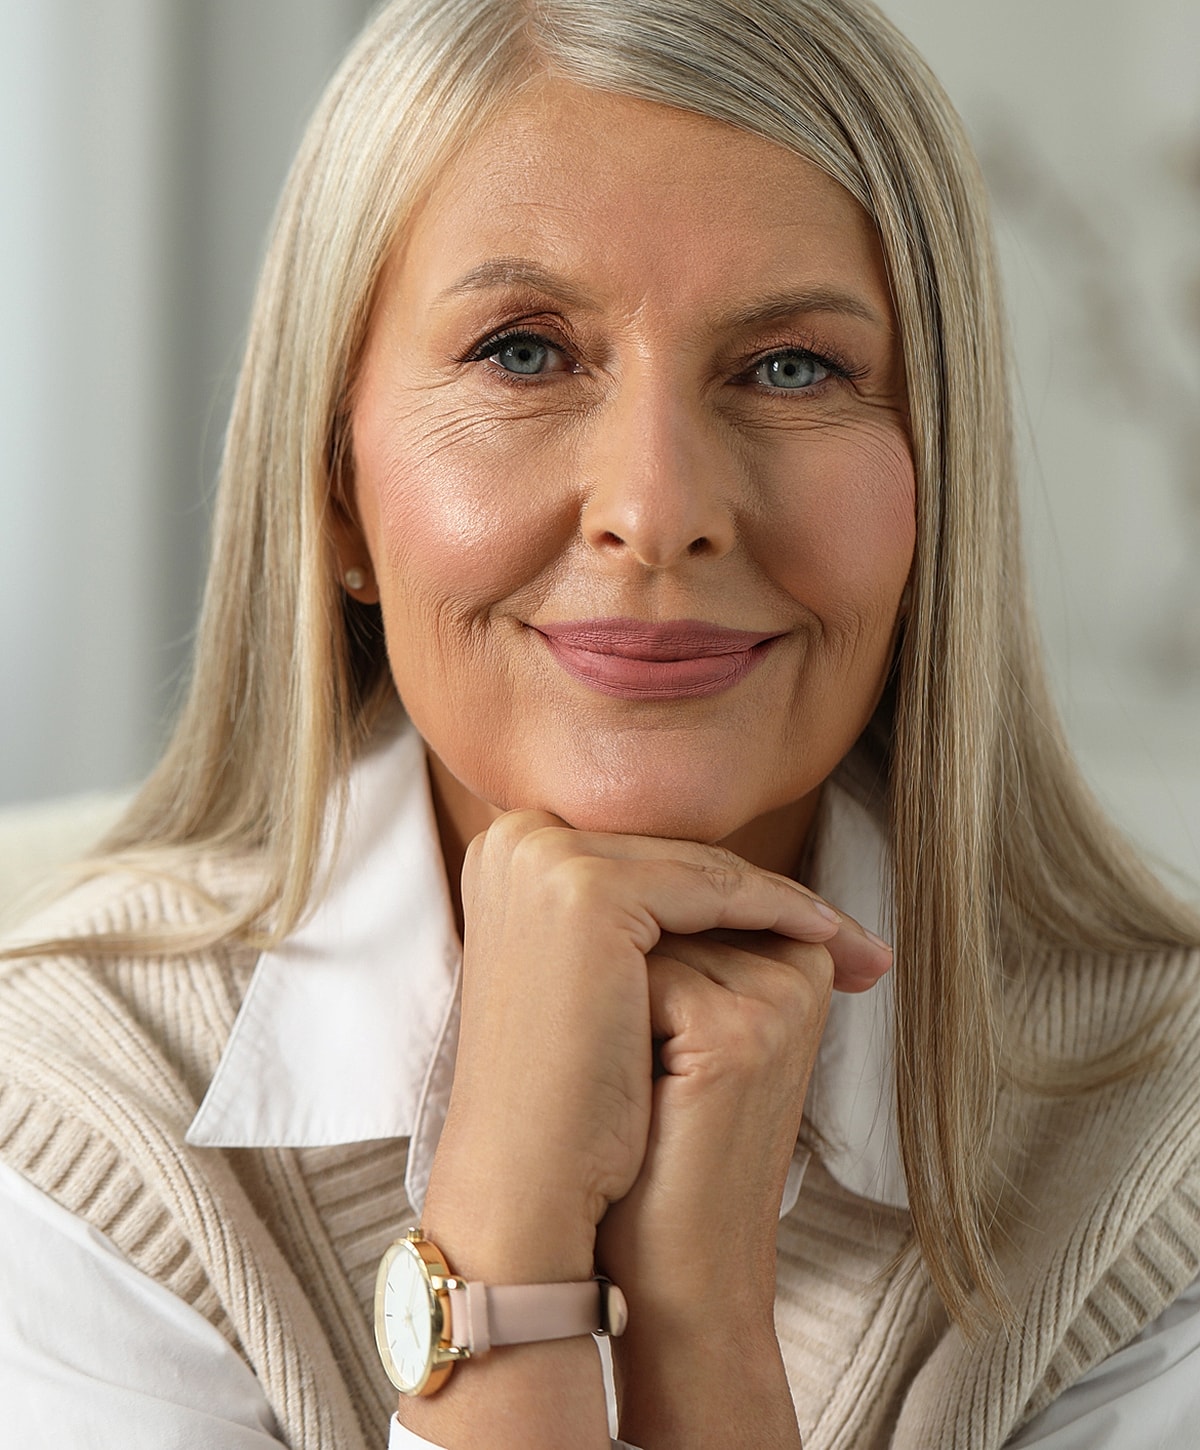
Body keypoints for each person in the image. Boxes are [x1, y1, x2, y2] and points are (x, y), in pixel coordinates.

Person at [2, 0, 1199, 1446]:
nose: (660, 507)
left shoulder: (1161, 1141)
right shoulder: (70, 1112)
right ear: (334, 492)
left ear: (936, 484)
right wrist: (502, 1252)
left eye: (791, 365)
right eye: (523, 352)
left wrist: (701, 1329)